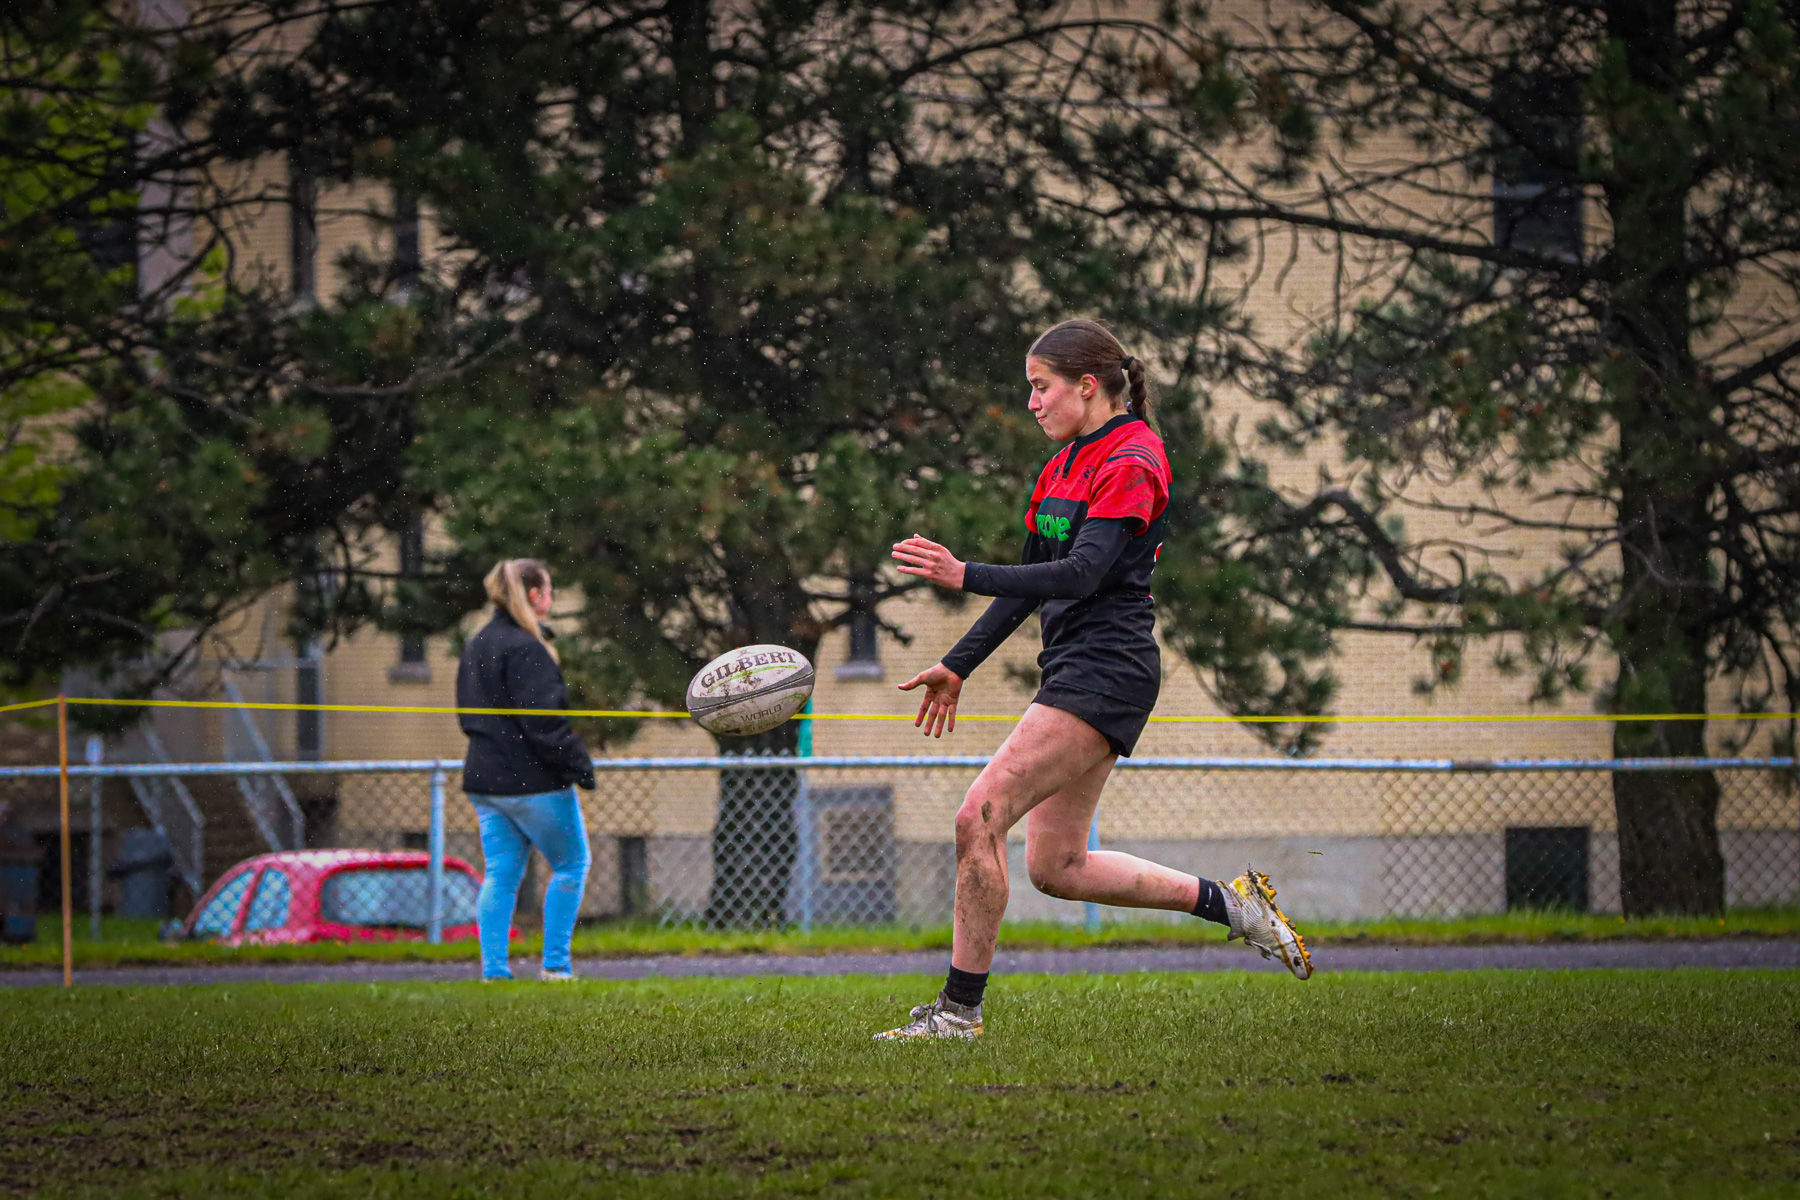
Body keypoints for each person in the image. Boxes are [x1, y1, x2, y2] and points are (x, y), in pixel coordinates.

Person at [875, 319, 1312, 1041]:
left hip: (1106, 670)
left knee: (977, 818)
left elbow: (1081, 574)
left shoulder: (1134, 457)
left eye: (1040, 387)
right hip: (1080, 668)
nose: (1031, 403)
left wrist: (964, 572)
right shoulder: (1063, 463)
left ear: (1086, 385)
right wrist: (957, 664)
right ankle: (1234, 906)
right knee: (1057, 867)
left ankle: (957, 1014)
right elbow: (1031, 581)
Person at [456, 558, 596, 982]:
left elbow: (468, 715)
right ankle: (556, 966)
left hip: (485, 782)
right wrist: (579, 764)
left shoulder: (478, 643)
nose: (550, 599)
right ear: (535, 596)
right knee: (572, 864)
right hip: (531, 782)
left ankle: (494, 972)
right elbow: (544, 723)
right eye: (549, 591)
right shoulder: (527, 648)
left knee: (501, 875)